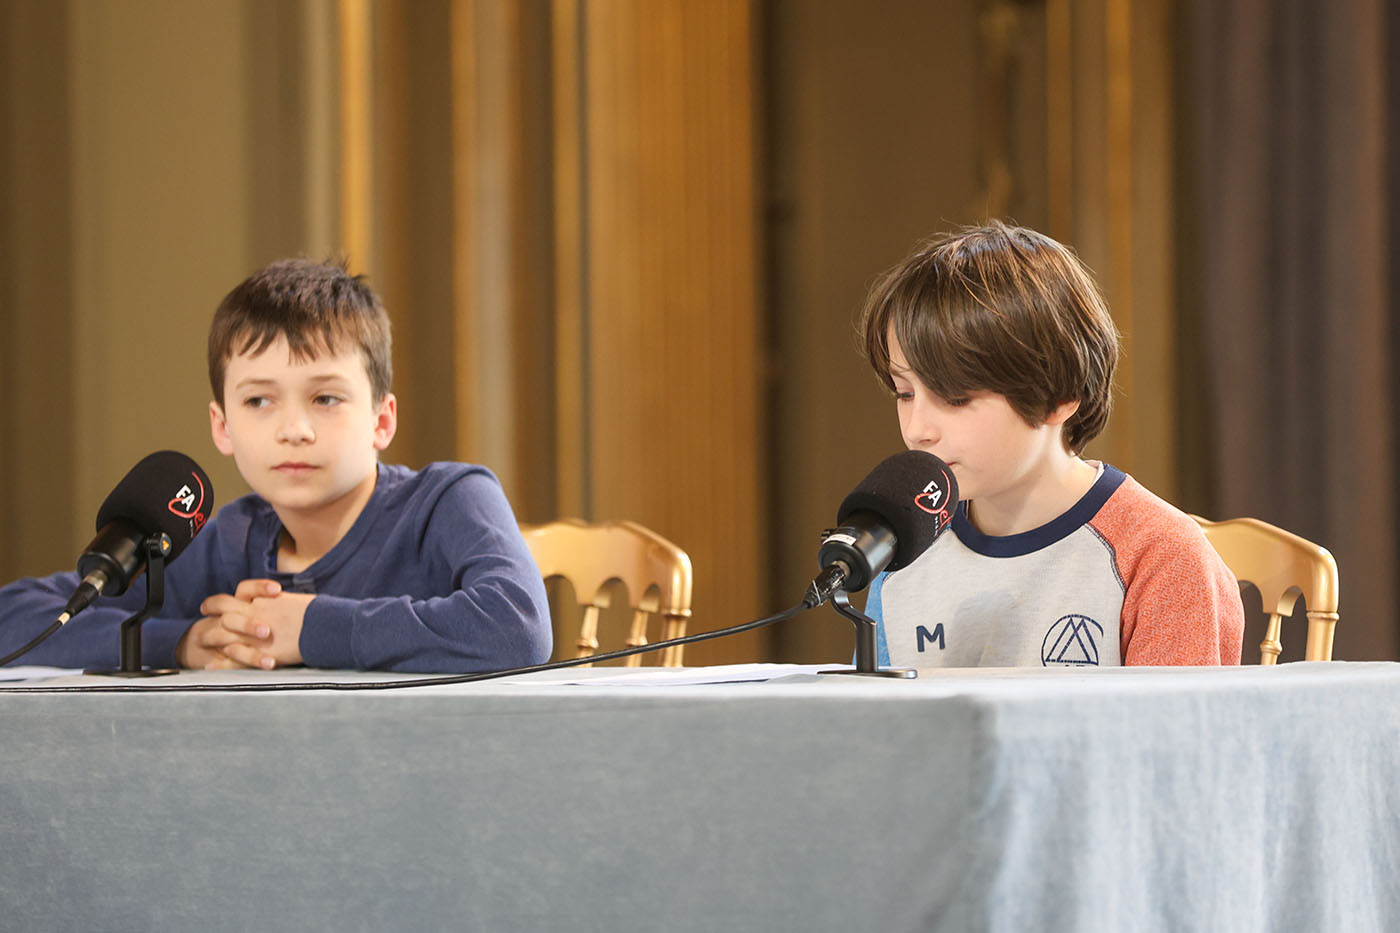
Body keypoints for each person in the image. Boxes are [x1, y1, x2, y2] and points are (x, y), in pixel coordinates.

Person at [0, 258, 551, 673]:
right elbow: (16, 616)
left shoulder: (449, 500)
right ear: (222, 426)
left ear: (382, 420)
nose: (294, 429)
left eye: (325, 398)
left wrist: (308, 627)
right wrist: (182, 642)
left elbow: (518, 627)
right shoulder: (230, 541)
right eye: (259, 401)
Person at [857, 221, 1244, 667]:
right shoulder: (903, 548)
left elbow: (1180, 715)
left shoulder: (1161, 557)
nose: (918, 429)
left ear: (1058, 397)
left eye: (955, 398)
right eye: (905, 393)